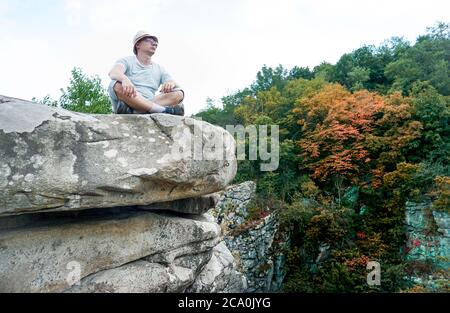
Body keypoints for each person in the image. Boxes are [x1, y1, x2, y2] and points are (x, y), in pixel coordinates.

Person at [108, 31, 184, 115]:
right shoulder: (126, 60)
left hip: (145, 103)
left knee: (179, 93)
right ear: (138, 45)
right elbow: (113, 72)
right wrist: (125, 79)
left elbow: (172, 82)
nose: (154, 43)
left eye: (155, 42)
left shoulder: (159, 68)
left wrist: (170, 83)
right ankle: (162, 110)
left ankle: (137, 110)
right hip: (130, 99)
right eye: (149, 40)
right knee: (114, 84)